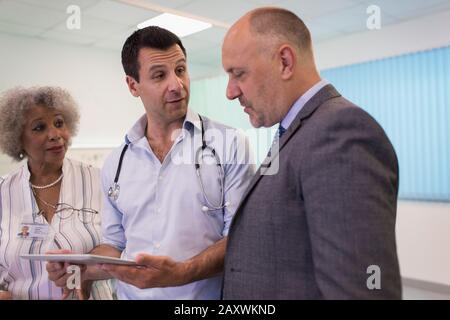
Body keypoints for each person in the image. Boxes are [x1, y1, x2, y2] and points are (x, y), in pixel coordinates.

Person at [47, 26, 255, 300]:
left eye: (180, 70)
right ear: (133, 85)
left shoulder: (229, 145)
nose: (176, 84)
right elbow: (115, 246)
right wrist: (80, 266)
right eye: (160, 75)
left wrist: (182, 272)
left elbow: (242, 240)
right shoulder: (116, 163)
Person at [221, 7, 401, 299]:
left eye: (238, 74)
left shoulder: (339, 132)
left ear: (284, 61)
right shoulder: (298, 131)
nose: (230, 92)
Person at [0, 86, 113, 300]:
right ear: (17, 138)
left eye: (59, 123)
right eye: (39, 127)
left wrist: (90, 270)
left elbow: (122, 246)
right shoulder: (3, 192)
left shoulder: (98, 180)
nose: (54, 135)